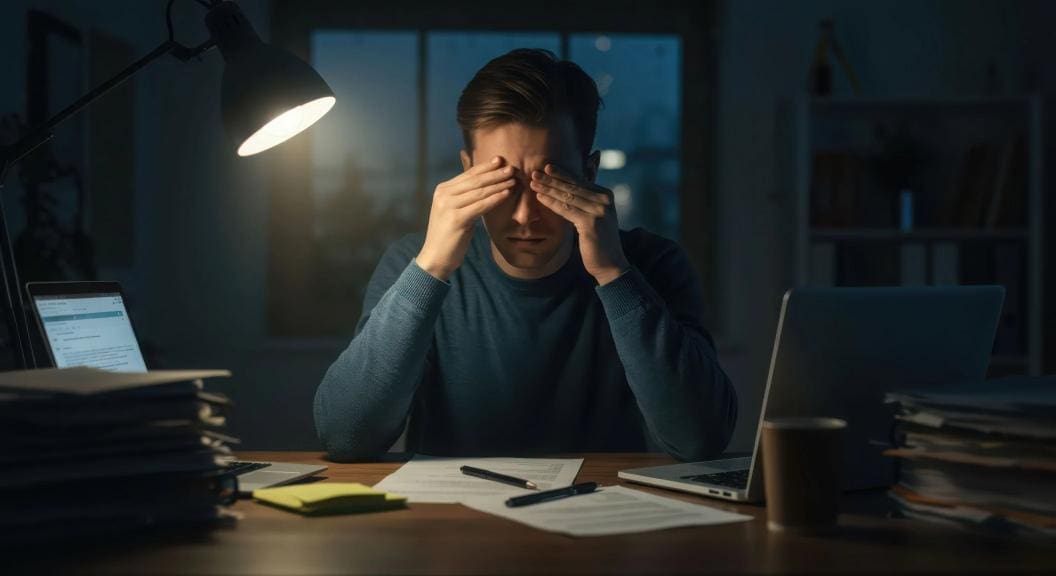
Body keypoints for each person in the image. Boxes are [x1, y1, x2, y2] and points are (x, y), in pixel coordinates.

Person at [314, 48, 737, 461]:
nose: (524, 216)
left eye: (547, 183)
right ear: (467, 172)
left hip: (601, 519)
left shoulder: (651, 263)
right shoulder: (414, 262)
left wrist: (614, 273)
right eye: (503, 183)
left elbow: (699, 439)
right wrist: (432, 267)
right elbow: (346, 436)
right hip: (452, 522)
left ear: (589, 173)